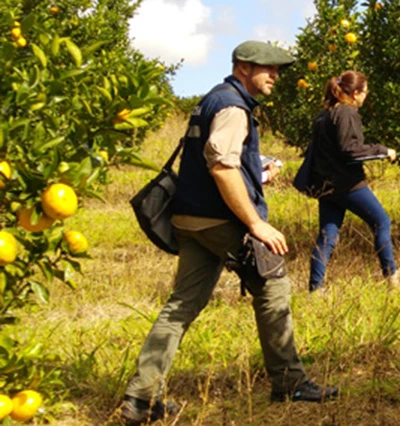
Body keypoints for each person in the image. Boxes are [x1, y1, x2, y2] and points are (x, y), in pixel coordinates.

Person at [120, 41, 338, 425]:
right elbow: (221, 167)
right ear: (242, 69)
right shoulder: (234, 107)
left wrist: (258, 175)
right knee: (273, 286)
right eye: (266, 69)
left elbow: (218, 162)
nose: (274, 76)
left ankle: (141, 399)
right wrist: (256, 223)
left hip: (189, 219)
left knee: (181, 306)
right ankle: (289, 381)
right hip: (220, 221)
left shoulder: (212, 99)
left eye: (277, 70)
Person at [307, 70, 399, 292]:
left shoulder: (324, 114)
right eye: (365, 92)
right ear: (355, 92)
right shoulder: (347, 113)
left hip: (326, 185)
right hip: (346, 184)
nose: (366, 97)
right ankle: (392, 277)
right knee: (381, 222)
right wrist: (382, 150)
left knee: (327, 235)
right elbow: (351, 150)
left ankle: (315, 288)